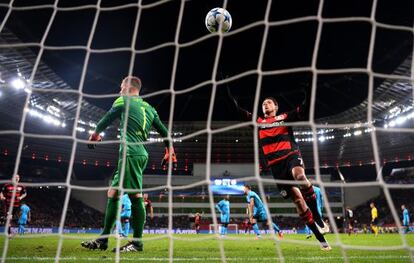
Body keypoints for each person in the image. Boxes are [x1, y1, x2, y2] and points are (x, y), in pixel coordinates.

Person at [81, 76, 177, 253]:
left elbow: (108, 117)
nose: (119, 91)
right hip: (136, 154)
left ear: (128, 87)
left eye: (121, 87)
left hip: (131, 154)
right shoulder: (149, 108)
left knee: (135, 197)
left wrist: (95, 134)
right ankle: (103, 240)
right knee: (113, 193)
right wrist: (169, 150)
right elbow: (165, 133)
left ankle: (137, 243)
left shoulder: (123, 100)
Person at [228, 90, 330, 250]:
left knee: (299, 175)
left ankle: (318, 218)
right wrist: (227, 91)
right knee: (298, 201)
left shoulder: (285, 118)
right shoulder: (258, 122)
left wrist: (309, 87)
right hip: (276, 167)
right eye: (263, 104)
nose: (265, 105)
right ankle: (321, 240)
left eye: (268, 102)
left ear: (276, 106)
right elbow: (236, 110)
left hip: (291, 156)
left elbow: (305, 108)